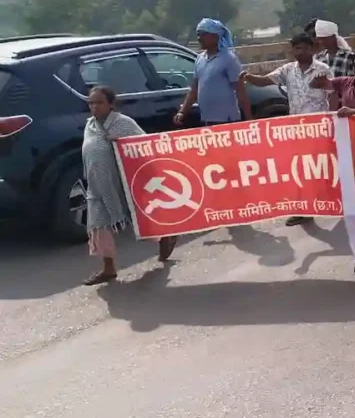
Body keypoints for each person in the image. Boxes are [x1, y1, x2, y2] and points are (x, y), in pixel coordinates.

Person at [83, 86, 177, 285]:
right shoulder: (89, 126)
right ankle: (108, 269)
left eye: (99, 102)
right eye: (91, 103)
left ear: (110, 104)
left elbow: (145, 146)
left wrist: (123, 143)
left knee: (137, 217)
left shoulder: (124, 124)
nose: (94, 107)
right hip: (98, 187)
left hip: (123, 183)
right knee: (99, 225)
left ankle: (164, 238)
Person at [239, 33, 331, 225]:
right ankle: (304, 209)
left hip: (319, 129)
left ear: (312, 49)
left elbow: (334, 94)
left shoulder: (323, 70)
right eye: (298, 48)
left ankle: (329, 201)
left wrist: (334, 119)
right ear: (292, 50)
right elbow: (265, 80)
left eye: (305, 48)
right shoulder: (287, 70)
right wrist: (248, 77)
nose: (302, 51)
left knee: (321, 168)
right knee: (300, 169)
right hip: (296, 130)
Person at [176, 18, 250, 127]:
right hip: (207, 120)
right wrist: (182, 111)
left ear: (216, 35)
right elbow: (194, 90)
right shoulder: (200, 59)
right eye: (198, 34)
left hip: (227, 120)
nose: (199, 38)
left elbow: (240, 91)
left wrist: (249, 120)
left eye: (203, 34)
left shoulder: (228, 59)